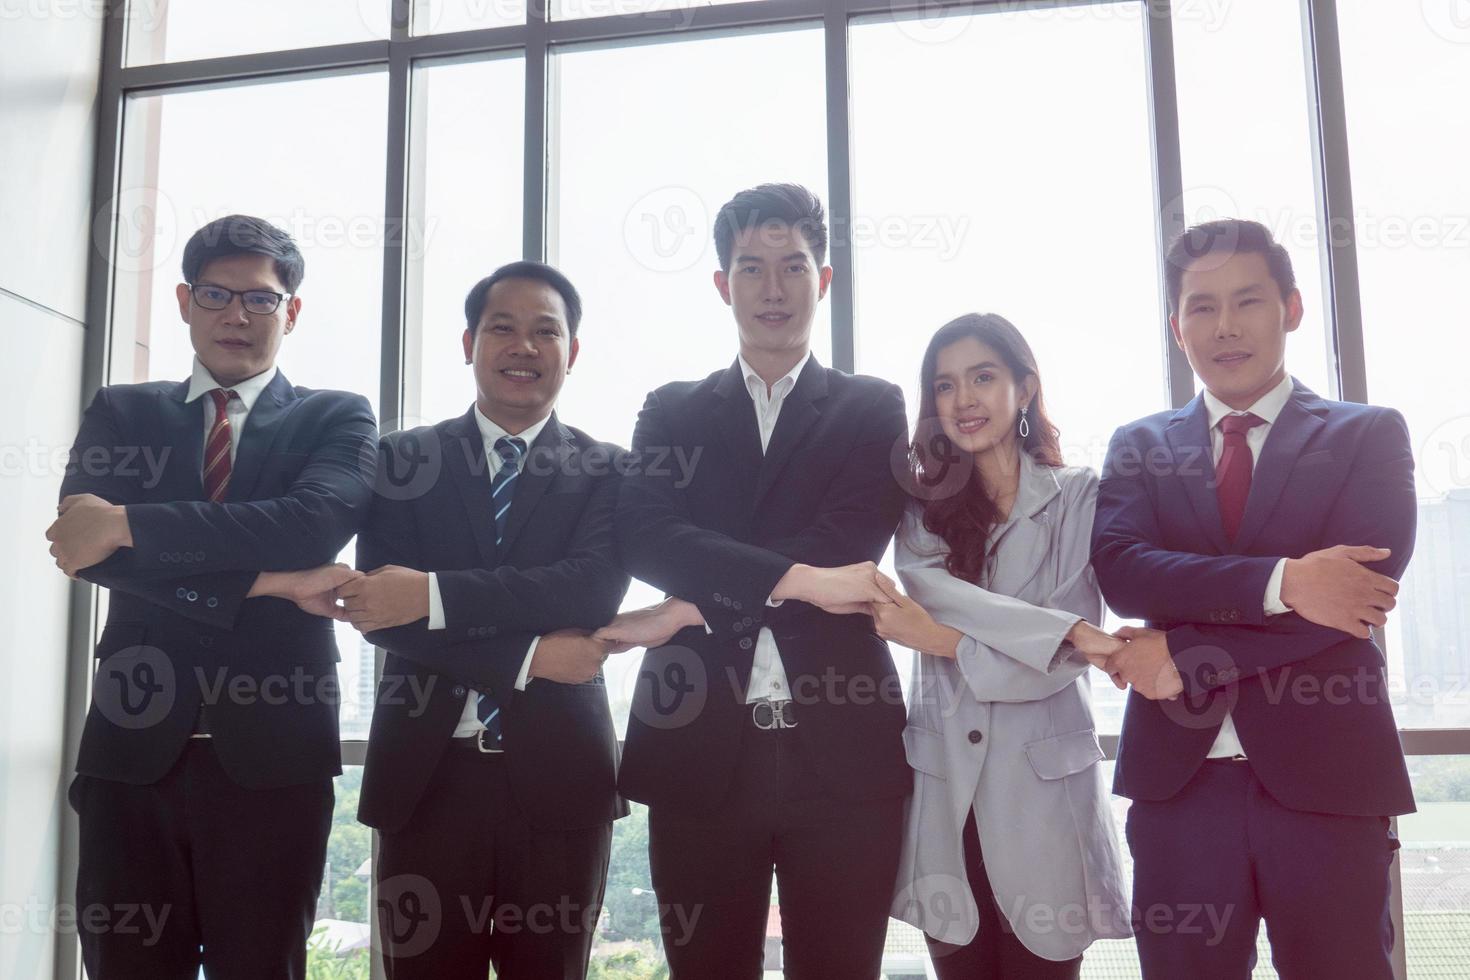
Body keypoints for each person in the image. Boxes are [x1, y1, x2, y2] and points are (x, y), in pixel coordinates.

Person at [47, 214, 377, 978]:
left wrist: (127, 523)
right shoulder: (123, 411)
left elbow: (309, 524)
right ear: (184, 301)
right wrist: (272, 581)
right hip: (130, 757)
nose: (237, 314)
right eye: (216, 294)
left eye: (260, 300)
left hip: (274, 765)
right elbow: (79, 549)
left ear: (290, 312)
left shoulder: (337, 414)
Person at [595, 183, 909, 978]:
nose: (773, 289)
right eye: (751, 267)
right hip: (698, 749)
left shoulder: (874, 407)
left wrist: (698, 590)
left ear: (824, 280)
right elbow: (647, 538)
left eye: (794, 266)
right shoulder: (670, 411)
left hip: (841, 756)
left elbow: (853, 541)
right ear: (721, 284)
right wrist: (801, 578)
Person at [1091, 218, 1415, 978]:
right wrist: (1287, 581)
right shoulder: (1139, 445)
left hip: (1329, 787)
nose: (1225, 327)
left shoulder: (1367, 435)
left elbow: (1356, 602)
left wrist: (1184, 652)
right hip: (1180, 790)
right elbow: (1125, 572)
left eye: (1249, 301)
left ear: (1292, 308)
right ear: (1178, 327)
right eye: (1202, 307)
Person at [345, 261, 630, 979]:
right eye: (503, 329)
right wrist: (530, 658)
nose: (523, 348)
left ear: (573, 352)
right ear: (469, 342)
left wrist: (433, 594)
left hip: (562, 788)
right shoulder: (402, 460)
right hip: (425, 782)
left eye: (546, 333)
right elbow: (383, 612)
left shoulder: (610, 470)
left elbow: (589, 592)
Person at [882, 313, 1131, 978]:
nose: (963, 399)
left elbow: (1058, 665)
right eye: (945, 385)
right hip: (946, 800)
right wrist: (1064, 634)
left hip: (1047, 801)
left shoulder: (1079, 494)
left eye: (983, 378)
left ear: (1024, 388)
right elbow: (932, 591)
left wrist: (942, 640)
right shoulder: (919, 511)